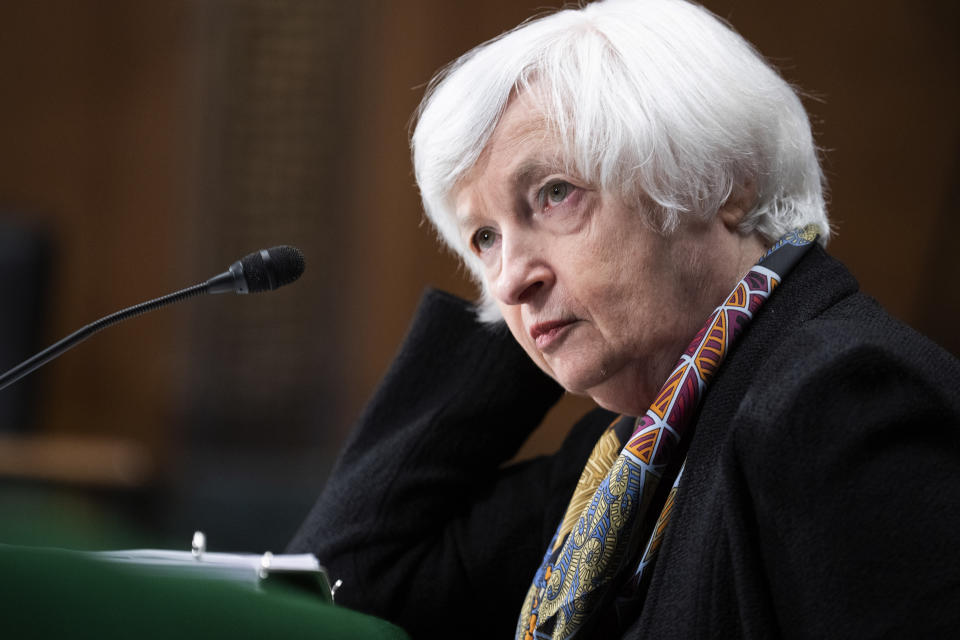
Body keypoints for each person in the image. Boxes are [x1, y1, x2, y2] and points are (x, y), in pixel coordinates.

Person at [289, 1, 960, 638]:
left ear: (721, 182)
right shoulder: (620, 463)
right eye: (484, 238)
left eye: (555, 195)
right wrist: (555, 317)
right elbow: (348, 590)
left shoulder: (841, 401)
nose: (510, 281)